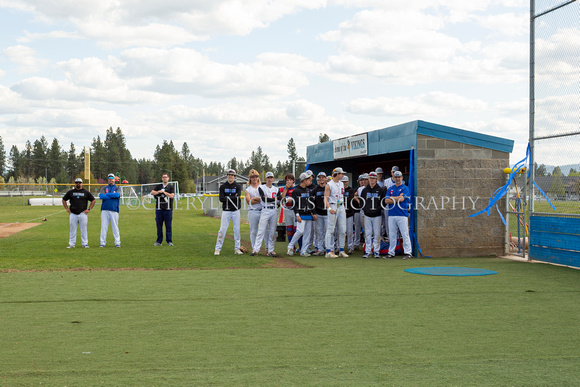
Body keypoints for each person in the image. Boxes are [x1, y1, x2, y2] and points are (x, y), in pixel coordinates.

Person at [287, 172, 317, 257]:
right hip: (300, 214)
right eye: (308, 179)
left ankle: (303, 251)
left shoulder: (308, 190)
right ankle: (290, 246)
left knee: (307, 233)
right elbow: (294, 205)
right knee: (300, 231)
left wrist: (313, 213)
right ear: (304, 180)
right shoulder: (296, 191)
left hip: (308, 214)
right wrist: (297, 215)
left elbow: (311, 203)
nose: (310, 180)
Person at [384, 170, 413, 259]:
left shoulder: (405, 188)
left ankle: (408, 252)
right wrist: (397, 198)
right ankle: (391, 252)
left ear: (402, 178)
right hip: (392, 214)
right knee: (392, 234)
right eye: (396, 177)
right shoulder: (390, 188)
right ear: (393, 178)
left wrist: (392, 198)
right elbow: (386, 200)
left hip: (402, 214)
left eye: (399, 177)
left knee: (405, 234)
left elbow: (402, 199)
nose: (397, 179)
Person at [214, 169, 243, 255]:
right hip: (226, 211)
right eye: (229, 175)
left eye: (232, 175)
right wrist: (233, 197)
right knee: (222, 230)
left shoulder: (238, 186)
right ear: (227, 176)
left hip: (235, 210)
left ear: (235, 176)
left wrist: (228, 198)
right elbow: (221, 199)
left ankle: (237, 248)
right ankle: (217, 249)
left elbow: (238, 198)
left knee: (237, 230)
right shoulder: (223, 186)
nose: (230, 176)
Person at [251, 171, 280, 257]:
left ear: (273, 179)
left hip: (274, 210)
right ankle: (256, 249)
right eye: (268, 178)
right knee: (261, 230)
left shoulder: (276, 189)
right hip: (265, 210)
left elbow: (280, 199)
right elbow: (264, 199)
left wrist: (274, 200)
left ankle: (271, 250)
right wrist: (275, 200)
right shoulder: (261, 187)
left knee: (272, 232)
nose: (269, 179)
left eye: (271, 177)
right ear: (266, 179)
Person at [358, 171, 385, 258]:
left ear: (376, 179)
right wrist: (365, 209)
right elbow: (361, 202)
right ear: (368, 179)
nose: (372, 180)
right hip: (367, 215)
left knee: (377, 234)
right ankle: (368, 251)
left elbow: (383, 202)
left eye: (373, 178)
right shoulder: (364, 190)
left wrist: (378, 210)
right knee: (368, 234)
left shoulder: (380, 190)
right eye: (370, 178)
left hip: (377, 215)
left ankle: (376, 252)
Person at [62, 178, 95, 248]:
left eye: (79, 183)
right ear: (75, 184)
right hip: (73, 213)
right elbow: (64, 199)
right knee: (72, 229)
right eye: (77, 183)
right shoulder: (71, 192)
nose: (78, 184)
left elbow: (93, 200)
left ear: (82, 183)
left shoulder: (85, 192)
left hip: (83, 213)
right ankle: (71, 244)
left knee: (84, 229)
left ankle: (85, 243)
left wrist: (89, 209)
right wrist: (67, 209)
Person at [324, 167, 348, 258]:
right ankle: (328, 251)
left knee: (342, 229)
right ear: (337, 174)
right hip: (332, 205)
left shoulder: (341, 184)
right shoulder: (329, 185)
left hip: (341, 206)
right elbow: (325, 198)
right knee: (331, 229)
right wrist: (329, 208)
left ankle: (341, 249)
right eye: (341, 174)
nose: (342, 175)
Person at [151, 173, 175, 246]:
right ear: (162, 179)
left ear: (168, 178)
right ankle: (159, 241)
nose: (164, 178)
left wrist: (164, 192)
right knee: (159, 226)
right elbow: (152, 192)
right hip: (159, 209)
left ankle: (169, 241)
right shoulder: (158, 186)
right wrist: (158, 191)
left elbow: (172, 196)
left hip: (168, 209)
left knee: (168, 225)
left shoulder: (171, 187)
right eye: (163, 177)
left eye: (166, 177)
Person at [99, 173, 121, 248]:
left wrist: (107, 195)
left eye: (112, 178)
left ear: (115, 179)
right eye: (109, 178)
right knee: (104, 227)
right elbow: (101, 196)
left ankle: (117, 242)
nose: (111, 179)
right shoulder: (104, 188)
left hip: (114, 210)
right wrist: (111, 196)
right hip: (104, 210)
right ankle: (102, 242)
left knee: (115, 227)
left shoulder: (118, 188)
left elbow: (117, 195)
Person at [311, 171, 328, 256]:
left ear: (325, 178)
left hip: (328, 213)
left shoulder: (329, 187)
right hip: (319, 213)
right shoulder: (315, 189)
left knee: (328, 232)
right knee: (319, 232)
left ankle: (328, 248)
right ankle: (320, 249)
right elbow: (311, 201)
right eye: (319, 177)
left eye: (323, 177)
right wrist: (314, 213)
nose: (321, 179)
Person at [245, 169, 262, 248]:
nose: (254, 178)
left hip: (262, 211)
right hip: (253, 211)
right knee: (253, 231)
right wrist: (260, 199)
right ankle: (254, 247)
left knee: (264, 230)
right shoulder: (248, 190)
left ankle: (266, 247)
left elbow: (264, 199)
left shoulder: (262, 187)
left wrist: (254, 198)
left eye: (256, 177)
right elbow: (249, 201)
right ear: (250, 178)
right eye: (252, 177)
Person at [278, 174, 296, 247]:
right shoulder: (283, 189)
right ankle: (292, 247)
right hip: (287, 210)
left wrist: (292, 201)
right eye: (287, 180)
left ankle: (300, 247)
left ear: (293, 181)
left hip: (295, 210)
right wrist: (286, 189)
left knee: (297, 230)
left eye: (290, 180)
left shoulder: (296, 188)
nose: (288, 182)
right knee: (289, 229)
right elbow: (282, 198)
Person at [343, 175, 356, 255]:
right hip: (340, 214)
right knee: (340, 232)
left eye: (345, 182)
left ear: (347, 182)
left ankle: (350, 248)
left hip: (349, 213)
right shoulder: (338, 190)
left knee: (350, 232)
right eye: (342, 182)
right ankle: (338, 247)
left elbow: (351, 200)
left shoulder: (351, 190)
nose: (344, 183)